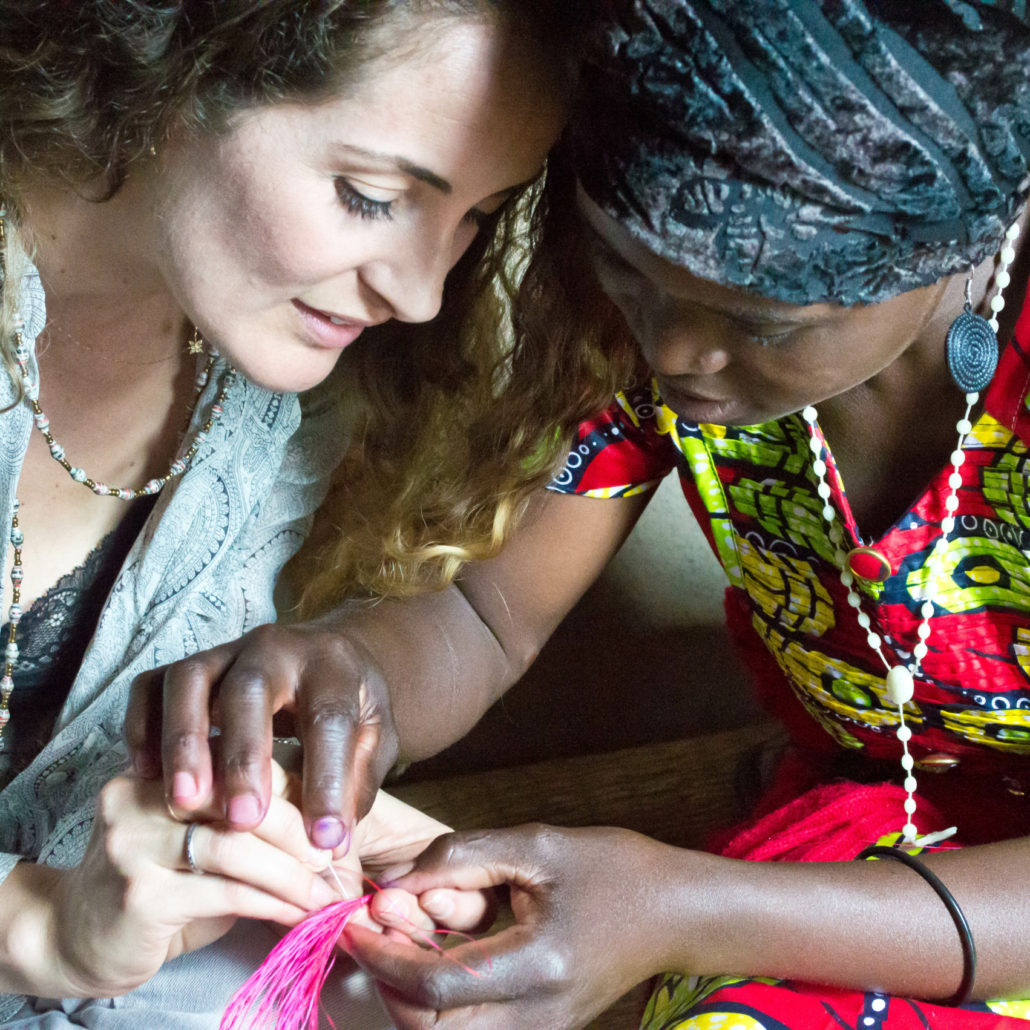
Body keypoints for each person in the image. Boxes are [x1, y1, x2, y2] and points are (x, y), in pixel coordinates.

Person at [136, 0, 1030, 1027]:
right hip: (864, 836)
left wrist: (680, 908)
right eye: (626, 269)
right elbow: (486, 615)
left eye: (764, 324)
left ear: (959, 246)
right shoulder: (651, 312)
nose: (674, 351)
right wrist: (355, 674)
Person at [0, 0, 576, 1024]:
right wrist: (39, 926)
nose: (421, 293)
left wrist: (295, 866)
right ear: (170, 60)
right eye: (371, 196)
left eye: (478, 217)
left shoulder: (296, 401)